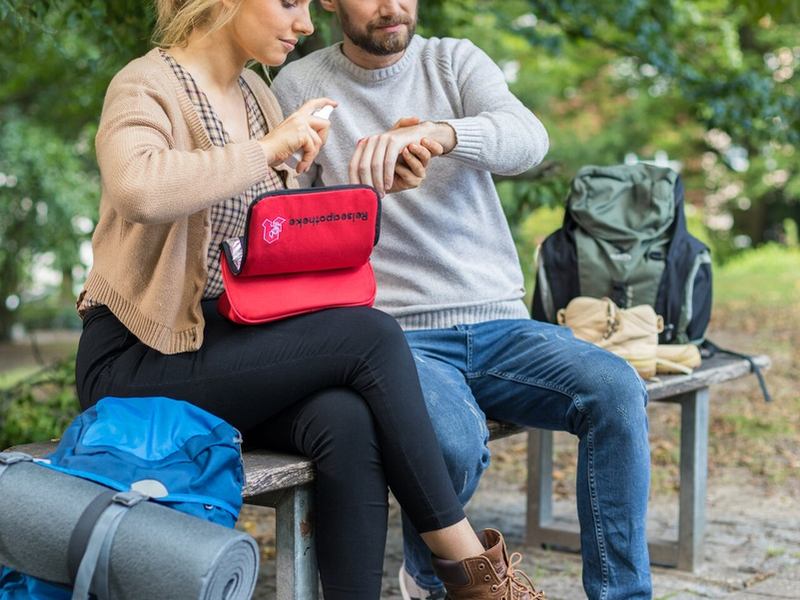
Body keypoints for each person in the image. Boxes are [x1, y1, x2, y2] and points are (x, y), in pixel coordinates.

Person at [74, 1, 549, 599]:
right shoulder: (147, 84)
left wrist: (369, 188)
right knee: (371, 334)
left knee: (346, 419)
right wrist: (268, 150)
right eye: (290, 2)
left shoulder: (256, 94)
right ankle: (472, 570)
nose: (304, 24)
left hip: (223, 346)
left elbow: (276, 236)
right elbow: (139, 187)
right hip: (134, 360)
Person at [270, 1, 653, 599]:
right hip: (392, 337)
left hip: (501, 324)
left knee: (616, 390)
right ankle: (431, 579)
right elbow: (291, 223)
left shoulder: (453, 61)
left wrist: (440, 134)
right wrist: (361, 189)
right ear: (327, 1)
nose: (392, 6)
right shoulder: (300, 82)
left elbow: (526, 139)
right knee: (451, 442)